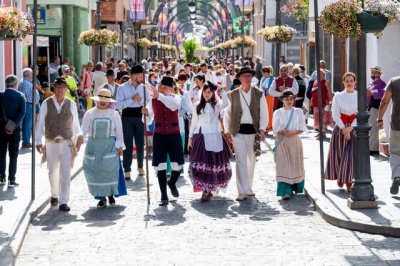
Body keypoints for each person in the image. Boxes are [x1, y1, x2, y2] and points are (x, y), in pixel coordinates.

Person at [35, 77, 80, 211]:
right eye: (58, 87)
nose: (60, 90)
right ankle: (54, 194)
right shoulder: (46, 103)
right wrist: (38, 141)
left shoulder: (71, 103)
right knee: (52, 171)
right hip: (51, 142)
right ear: (54, 88)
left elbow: (76, 123)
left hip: (66, 142)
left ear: (66, 89)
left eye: (63, 87)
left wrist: (78, 138)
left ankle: (64, 201)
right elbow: (40, 123)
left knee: (66, 173)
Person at [76, 89, 127, 207]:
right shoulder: (89, 113)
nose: (103, 102)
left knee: (109, 171)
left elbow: (119, 132)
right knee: (96, 172)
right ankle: (102, 197)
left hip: (109, 146)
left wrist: (120, 145)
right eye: (101, 100)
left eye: (106, 100)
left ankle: (110, 194)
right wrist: (80, 136)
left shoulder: (114, 114)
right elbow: (83, 128)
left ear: (109, 102)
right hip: (94, 147)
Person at [224, 67, 268, 201]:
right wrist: (227, 129)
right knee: (240, 161)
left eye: (249, 76)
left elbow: (264, 113)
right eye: (245, 77)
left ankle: (248, 187)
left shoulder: (259, 93)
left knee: (251, 161)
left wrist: (262, 129)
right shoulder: (233, 94)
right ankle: (242, 191)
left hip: (253, 132)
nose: (247, 79)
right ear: (240, 79)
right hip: (238, 132)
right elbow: (227, 113)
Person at [143, 77, 184, 206]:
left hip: (174, 135)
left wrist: (158, 95)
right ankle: (163, 196)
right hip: (159, 135)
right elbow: (148, 120)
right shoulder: (153, 100)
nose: (161, 89)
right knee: (160, 166)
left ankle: (171, 183)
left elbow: (173, 106)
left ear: (171, 88)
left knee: (177, 166)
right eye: (160, 87)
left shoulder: (176, 97)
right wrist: (145, 114)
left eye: (164, 87)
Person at [188, 81, 232, 201]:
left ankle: (209, 189)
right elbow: (194, 122)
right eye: (205, 92)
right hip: (201, 135)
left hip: (215, 136)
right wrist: (190, 137)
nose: (207, 94)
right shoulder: (197, 105)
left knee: (214, 164)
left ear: (213, 93)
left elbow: (227, 103)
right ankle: (205, 190)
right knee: (201, 164)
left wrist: (222, 90)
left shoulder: (217, 104)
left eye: (209, 92)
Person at [324, 72, 358, 192]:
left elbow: (360, 114)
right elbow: (335, 114)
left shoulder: (359, 96)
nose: (349, 83)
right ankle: (339, 177)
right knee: (339, 154)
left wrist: (350, 128)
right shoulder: (338, 96)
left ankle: (349, 181)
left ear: (355, 82)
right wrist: (344, 129)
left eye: (351, 81)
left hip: (354, 129)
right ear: (343, 82)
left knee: (350, 155)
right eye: (347, 81)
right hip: (340, 129)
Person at [116, 65, 150, 180]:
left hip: (140, 117)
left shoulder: (144, 88)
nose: (141, 77)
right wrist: (132, 100)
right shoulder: (122, 87)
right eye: (139, 75)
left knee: (140, 144)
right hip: (126, 118)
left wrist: (144, 106)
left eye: (142, 75)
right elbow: (119, 104)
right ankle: (127, 169)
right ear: (132, 75)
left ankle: (140, 166)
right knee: (128, 144)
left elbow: (148, 102)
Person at [272, 90, 307, 200]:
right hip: (282, 140)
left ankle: (296, 187)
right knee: (283, 166)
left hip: (295, 141)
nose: (289, 101)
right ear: (282, 100)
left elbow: (302, 127)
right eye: (286, 99)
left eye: (291, 98)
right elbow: (275, 128)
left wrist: (293, 132)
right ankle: (285, 191)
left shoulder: (298, 111)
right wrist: (282, 131)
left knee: (295, 164)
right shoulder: (277, 112)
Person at [0, 75, 26, 187]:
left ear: (6, 84)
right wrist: (13, 126)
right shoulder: (20, 96)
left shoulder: (1, 95)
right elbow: (22, 113)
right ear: (15, 84)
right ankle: (11, 180)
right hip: (14, 129)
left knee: (1, 153)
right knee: (13, 154)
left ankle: (1, 178)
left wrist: (4, 124)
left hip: (1, 128)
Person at [378, 69, 400, 195]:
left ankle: (397, 176)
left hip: (397, 125)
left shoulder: (394, 81)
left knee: (396, 153)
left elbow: (384, 101)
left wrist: (379, 118)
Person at [19, 68, 39, 148]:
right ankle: (26, 141)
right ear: (28, 75)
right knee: (27, 124)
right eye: (31, 73)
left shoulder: (26, 82)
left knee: (27, 123)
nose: (33, 75)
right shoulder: (25, 83)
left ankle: (26, 140)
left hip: (30, 104)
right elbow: (24, 95)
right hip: (28, 105)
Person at [367, 66, 386, 156]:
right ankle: (371, 148)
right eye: (372, 72)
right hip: (370, 108)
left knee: (373, 128)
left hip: (376, 107)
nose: (373, 74)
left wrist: (373, 93)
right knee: (372, 128)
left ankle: (373, 149)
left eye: (375, 72)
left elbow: (382, 95)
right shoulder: (371, 83)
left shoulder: (382, 83)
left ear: (379, 74)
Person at [311, 70, 332, 139]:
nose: (319, 75)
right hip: (316, 102)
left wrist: (331, 101)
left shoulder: (326, 82)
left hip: (323, 103)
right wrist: (311, 100)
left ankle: (323, 133)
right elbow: (312, 92)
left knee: (323, 118)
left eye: (321, 74)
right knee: (317, 118)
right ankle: (319, 132)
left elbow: (329, 92)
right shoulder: (315, 82)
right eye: (318, 74)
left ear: (324, 75)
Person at [260, 66, 274, 131]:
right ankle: (264, 125)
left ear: (267, 72)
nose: (262, 74)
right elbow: (260, 87)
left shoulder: (273, 79)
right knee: (263, 111)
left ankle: (269, 125)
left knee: (269, 111)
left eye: (263, 72)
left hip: (270, 96)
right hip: (263, 96)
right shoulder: (262, 78)